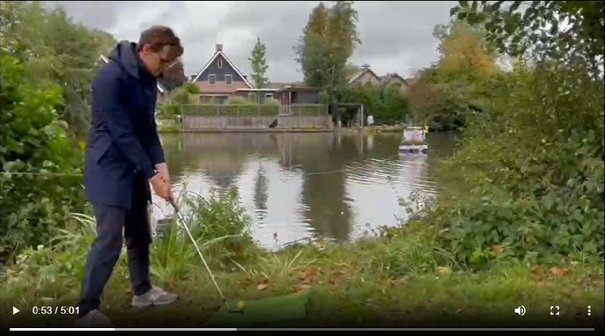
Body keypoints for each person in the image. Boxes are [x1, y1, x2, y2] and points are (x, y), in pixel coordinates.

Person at [76, 26, 184, 327]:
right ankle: (85, 310)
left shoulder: (149, 81)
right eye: (163, 62)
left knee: (140, 232)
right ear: (147, 49)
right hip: (108, 165)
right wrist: (151, 174)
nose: (164, 69)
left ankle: (143, 292)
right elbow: (122, 134)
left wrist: (161, 166)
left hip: (135, 165)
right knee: (110, 238)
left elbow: (147, 129)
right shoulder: (109, 78)